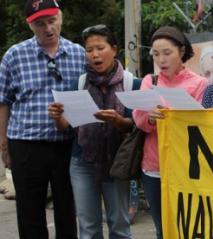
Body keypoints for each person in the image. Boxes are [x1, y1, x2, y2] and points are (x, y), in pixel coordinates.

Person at [0, 0, 85, 238]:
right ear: (30, 26)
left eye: (52, 21)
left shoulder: (79, 54)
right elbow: (3, 100)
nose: (48, 28)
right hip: (26, 143)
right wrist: (4, 144)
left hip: (67, 143)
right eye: (40, 24)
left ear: (61, 18)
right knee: (29, 210)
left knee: (67, 208)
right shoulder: (14, 55)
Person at [48, 24, 136, 239]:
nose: (95, 54)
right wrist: (58, 116)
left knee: (120, 226)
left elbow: (134, 126)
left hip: (117, 162)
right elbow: (65, 126)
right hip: (82, 162)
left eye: (100, 48)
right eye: (89, 49)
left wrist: (117, 121)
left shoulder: (131, 82)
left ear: (114, 49)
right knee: (88, 228)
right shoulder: (78, 83)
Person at [132, 26, 208, 239]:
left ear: (181, 51)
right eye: (156, 54)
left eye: (167, 53)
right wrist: (150, 118)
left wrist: (177, 116)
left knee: (189, 227)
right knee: (162, 228)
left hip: (186, 165)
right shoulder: (150, 81)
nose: (161, 60)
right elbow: (138, 118)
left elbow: (203, 123)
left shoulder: (199, 83)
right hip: (154, 167)